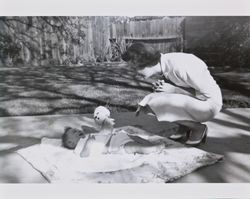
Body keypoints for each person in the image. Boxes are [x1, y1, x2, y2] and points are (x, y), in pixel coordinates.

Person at [121, 42, 223, 146]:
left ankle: (198, 128)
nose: (134, 72)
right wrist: (164, 88)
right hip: (197, 102)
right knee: (150, 101)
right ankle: (184, 127)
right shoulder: (165, 63)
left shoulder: (180, 66)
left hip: (209, 105)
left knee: (155, 103)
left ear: (146, 63)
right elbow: (184, 87)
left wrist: (174, 90)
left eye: (135, 68)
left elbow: (204, 96)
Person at [62, 106, 165, 157]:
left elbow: (96, 134)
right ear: (71, 142)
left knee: (136, 138)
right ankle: (152, 149)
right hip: (113, 145)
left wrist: (90, 132)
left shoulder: (87, 136)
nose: (78, 131)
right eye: (74, 132)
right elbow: (83, 155)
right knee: (133, 146)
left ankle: (150, 144)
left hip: (116, 136)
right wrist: (89, 144)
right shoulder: (79, 145)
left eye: (76, 130)